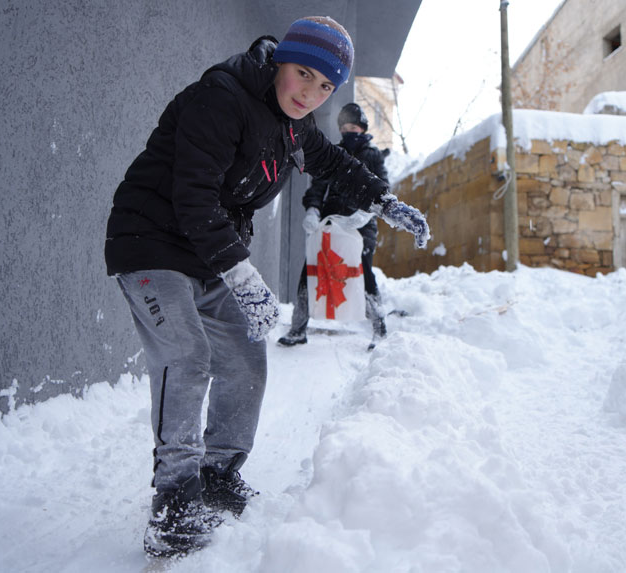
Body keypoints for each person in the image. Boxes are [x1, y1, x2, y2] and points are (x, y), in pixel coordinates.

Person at [104, 16, 430, 558]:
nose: (311, 93)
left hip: (207, 253)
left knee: (245, 358)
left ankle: (217, 473)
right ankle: (175, 500)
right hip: (150, 242)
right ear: (281, 61)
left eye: (325, 86)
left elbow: (333, 163)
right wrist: (242, 274)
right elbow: (192, 200)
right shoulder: (223, 98)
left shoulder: (292, 124)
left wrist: (384, 202)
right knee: (187, 355)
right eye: (303, 74)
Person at [278, 103, 390, 350]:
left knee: (362, 272)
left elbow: (383, 188)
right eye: (345, 127)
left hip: (361, 226)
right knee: (311, 268)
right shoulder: (334, 154)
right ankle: (297, 329)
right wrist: (313, 208)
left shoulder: (372, 156)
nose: (350, 131)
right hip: (330, 223)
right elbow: (318, 186)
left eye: (354, 126)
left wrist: (366, 213)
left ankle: (380, 329)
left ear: (362, 128)